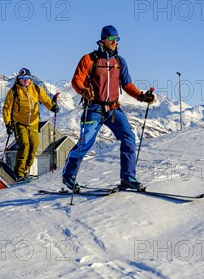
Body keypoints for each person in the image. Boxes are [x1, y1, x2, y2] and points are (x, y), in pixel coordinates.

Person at [62, 25, 156, 192]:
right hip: (94, 108)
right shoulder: (88, 59)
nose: (115, 42)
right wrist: (83, 90)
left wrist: (141, 96)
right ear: (103, 40)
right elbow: (76, 81)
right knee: (85, 143)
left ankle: (128, 177)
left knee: (128, 136)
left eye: (117, 39)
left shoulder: (120, 62)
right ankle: (69, 175)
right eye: (112, 39)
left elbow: (127, 85)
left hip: (113, 109)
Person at [3, 68, 59, 182]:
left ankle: (25, 171)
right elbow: (6, 108)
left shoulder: (36, 89)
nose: (26, 81)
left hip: (33, 122)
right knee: (24, 144)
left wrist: (52, 107)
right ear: (19, 79)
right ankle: (18, 173)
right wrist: (8, 124)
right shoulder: (14, 91)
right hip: (19, 122)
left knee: (34, 146)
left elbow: (46, 100)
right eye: (23, 79)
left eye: (28, 79)